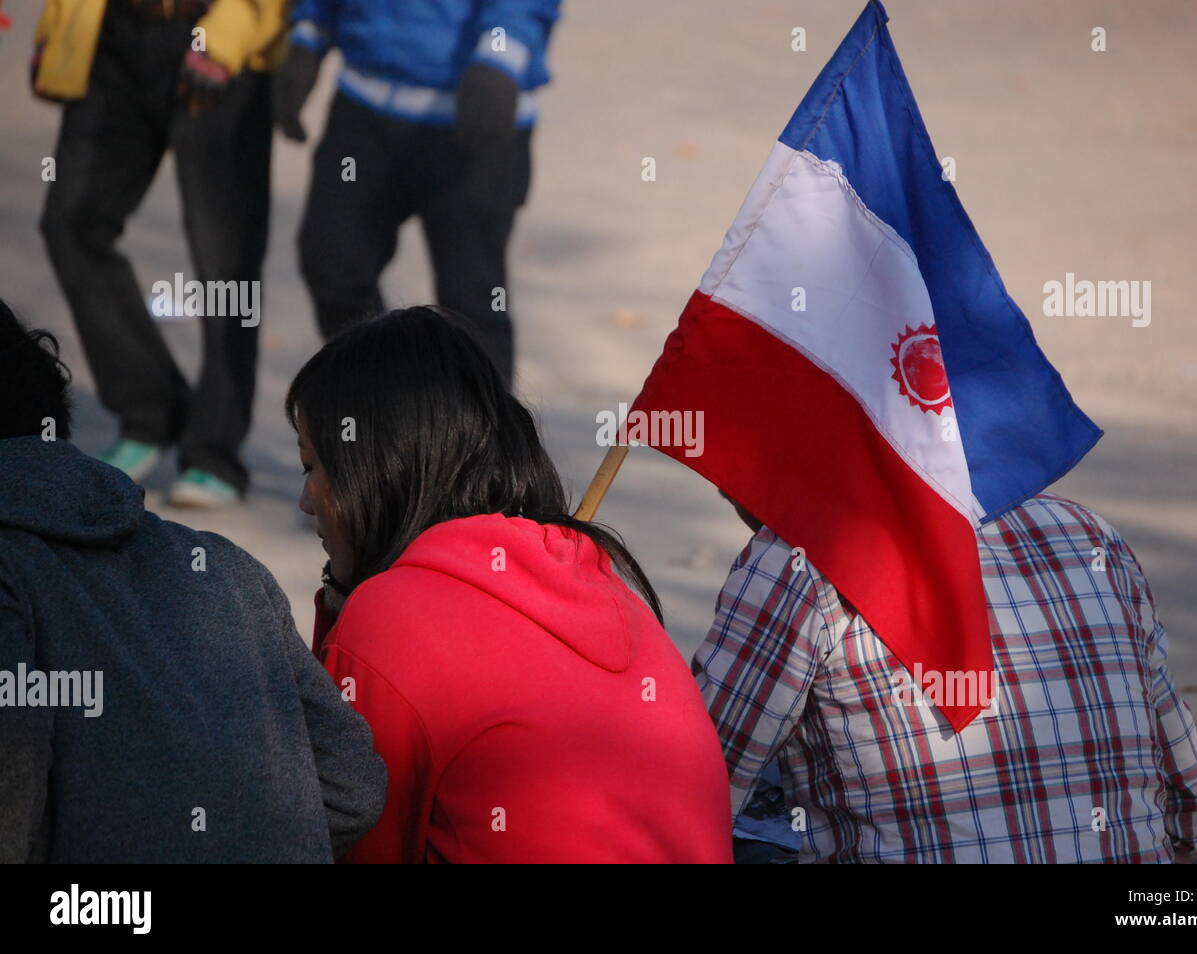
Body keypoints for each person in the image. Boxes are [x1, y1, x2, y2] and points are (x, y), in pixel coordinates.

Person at [288, 305, 733, 863]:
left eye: (312, 466)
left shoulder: (396, 614)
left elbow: (343, 843)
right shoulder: (595, 575)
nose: (306, 501)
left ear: (378, 466)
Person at [0, 300, 387, 862]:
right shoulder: (227, 567)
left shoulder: (11, 571)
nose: (305, 500)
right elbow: (354, 787)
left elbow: (12, 789)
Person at [699, 492, 1197, 863]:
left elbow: (690, 793)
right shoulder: (1087, 534)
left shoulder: (794, 559)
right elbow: (1191, 818)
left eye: (733, 480)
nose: (728, 492)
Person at [34, 0, 290, 506]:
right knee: (71, 223)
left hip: (219, 39)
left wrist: (229, 34)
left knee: (225, 262)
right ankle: (149, 410)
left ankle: (215, 452)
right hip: (111, 33)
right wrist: (59, 25)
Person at [272, 0, 561, 387]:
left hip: (474, 110)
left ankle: (484, 443)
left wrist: (502, 53)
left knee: (472, 304)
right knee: (331, 262)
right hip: (364, 105)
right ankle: (391, 417)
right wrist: (311, 31)